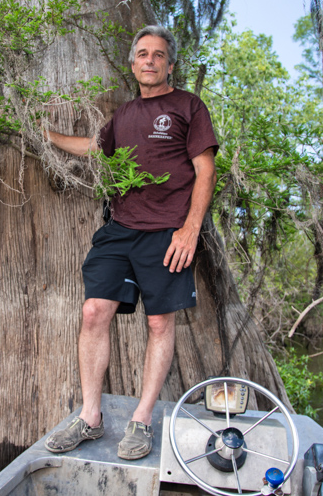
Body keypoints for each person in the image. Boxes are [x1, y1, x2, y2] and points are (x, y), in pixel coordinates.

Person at [43, 25, 218, 460]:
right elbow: (94, 147)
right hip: (120, 227)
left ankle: (141, 421)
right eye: (143, 53)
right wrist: (47, 136)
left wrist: (191, 228)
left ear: (170, 64)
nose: (150, 60)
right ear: (133, 62)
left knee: (160, 323)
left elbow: (206, 170)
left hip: (168, 232)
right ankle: (90, 417)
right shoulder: (122, 116)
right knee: (93, 311)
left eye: (159, 55)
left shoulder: (188, 106)